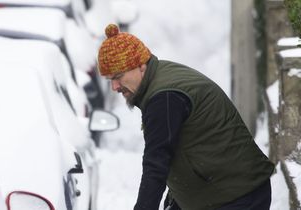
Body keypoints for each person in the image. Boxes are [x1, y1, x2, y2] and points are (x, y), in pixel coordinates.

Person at [97, 24, 275, 210]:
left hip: (237, 196)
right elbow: (177, 150)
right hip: (227, 192)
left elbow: (156, 163)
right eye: (110, 80)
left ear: (141, 66)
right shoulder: (161, 80)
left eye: (118, 76)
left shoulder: (163, 97)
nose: (115, 87)